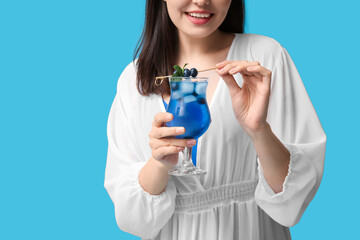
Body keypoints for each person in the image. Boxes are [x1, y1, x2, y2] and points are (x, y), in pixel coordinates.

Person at [104, 0, 326, 239]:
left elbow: (292, 205)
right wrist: (159, 164)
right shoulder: (133, 79)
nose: (201, 1)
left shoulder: (262, 58)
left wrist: (259, 130)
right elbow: (132, 220)